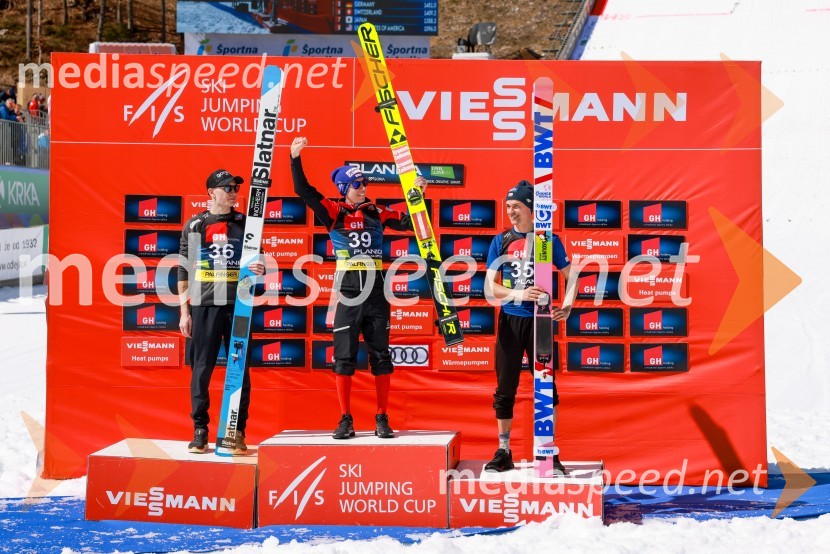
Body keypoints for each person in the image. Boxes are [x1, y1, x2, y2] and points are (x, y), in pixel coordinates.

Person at [290, 135, 426, 440]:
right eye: (357, 184)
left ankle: (381, 417)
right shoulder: (332, 210)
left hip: (376, 292)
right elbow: (303, 190)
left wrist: (417, 192)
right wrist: (295, 157)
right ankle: (345, 419)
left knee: (381, 357)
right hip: (348, 292)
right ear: (343, 189)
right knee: (344, 358)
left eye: (364, 182)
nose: (363, 187)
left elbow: (408, 222)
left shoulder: (377, 212)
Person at [483, 180, 573, 473]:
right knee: (505, 388)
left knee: (546, 386)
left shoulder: (548, 239)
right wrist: (519, 294)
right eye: (508, 206)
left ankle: (548, 451)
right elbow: (489, 287)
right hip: (510, 319)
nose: (510, 211)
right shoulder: (502, 239)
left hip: (542, 322)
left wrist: (568, 306)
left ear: (531, 208)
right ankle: (503, 450)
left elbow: (573, 275)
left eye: (516, 206)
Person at [177, 168, 265, 454]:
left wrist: (259, 268)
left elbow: (257, 260)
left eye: (235, 187)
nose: (232, 192)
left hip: (239, 306)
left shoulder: (246, 223)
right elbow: (184, 269)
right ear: (211, 192)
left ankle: (236, 432)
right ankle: (200, 430)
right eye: (226, 187)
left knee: (240, 370)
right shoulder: (195, 225)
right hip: (204, 305)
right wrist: (184, 311)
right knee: (201, 369)